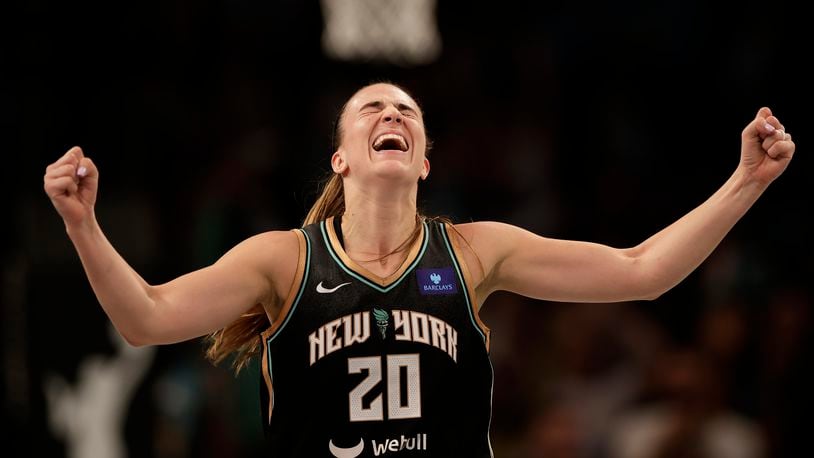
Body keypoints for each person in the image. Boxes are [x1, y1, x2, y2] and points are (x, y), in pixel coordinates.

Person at [43, 83, 795, 457]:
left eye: (406, 111)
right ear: (341, 156)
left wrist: (747, 183)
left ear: (425, 158)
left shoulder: (472, 251)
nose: (391, 116)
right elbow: (143, 318)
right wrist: (83, 226)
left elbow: (642, 271)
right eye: (371, 109)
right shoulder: (283, 259)